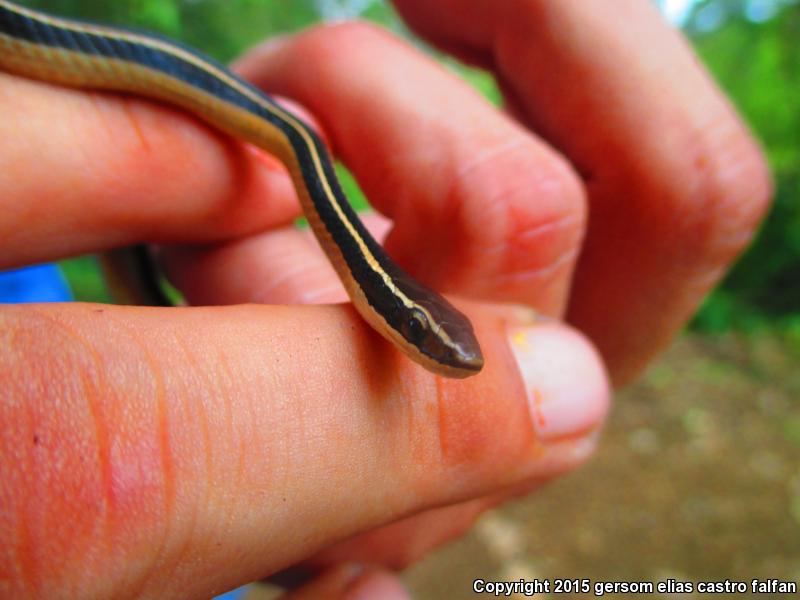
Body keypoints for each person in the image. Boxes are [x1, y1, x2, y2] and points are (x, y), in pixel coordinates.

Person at [0, 0, 770, 598]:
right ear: (388, 303)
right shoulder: (307, 179)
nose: (445, 357)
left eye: (436, 340)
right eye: (424, 335)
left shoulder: (299, 176)